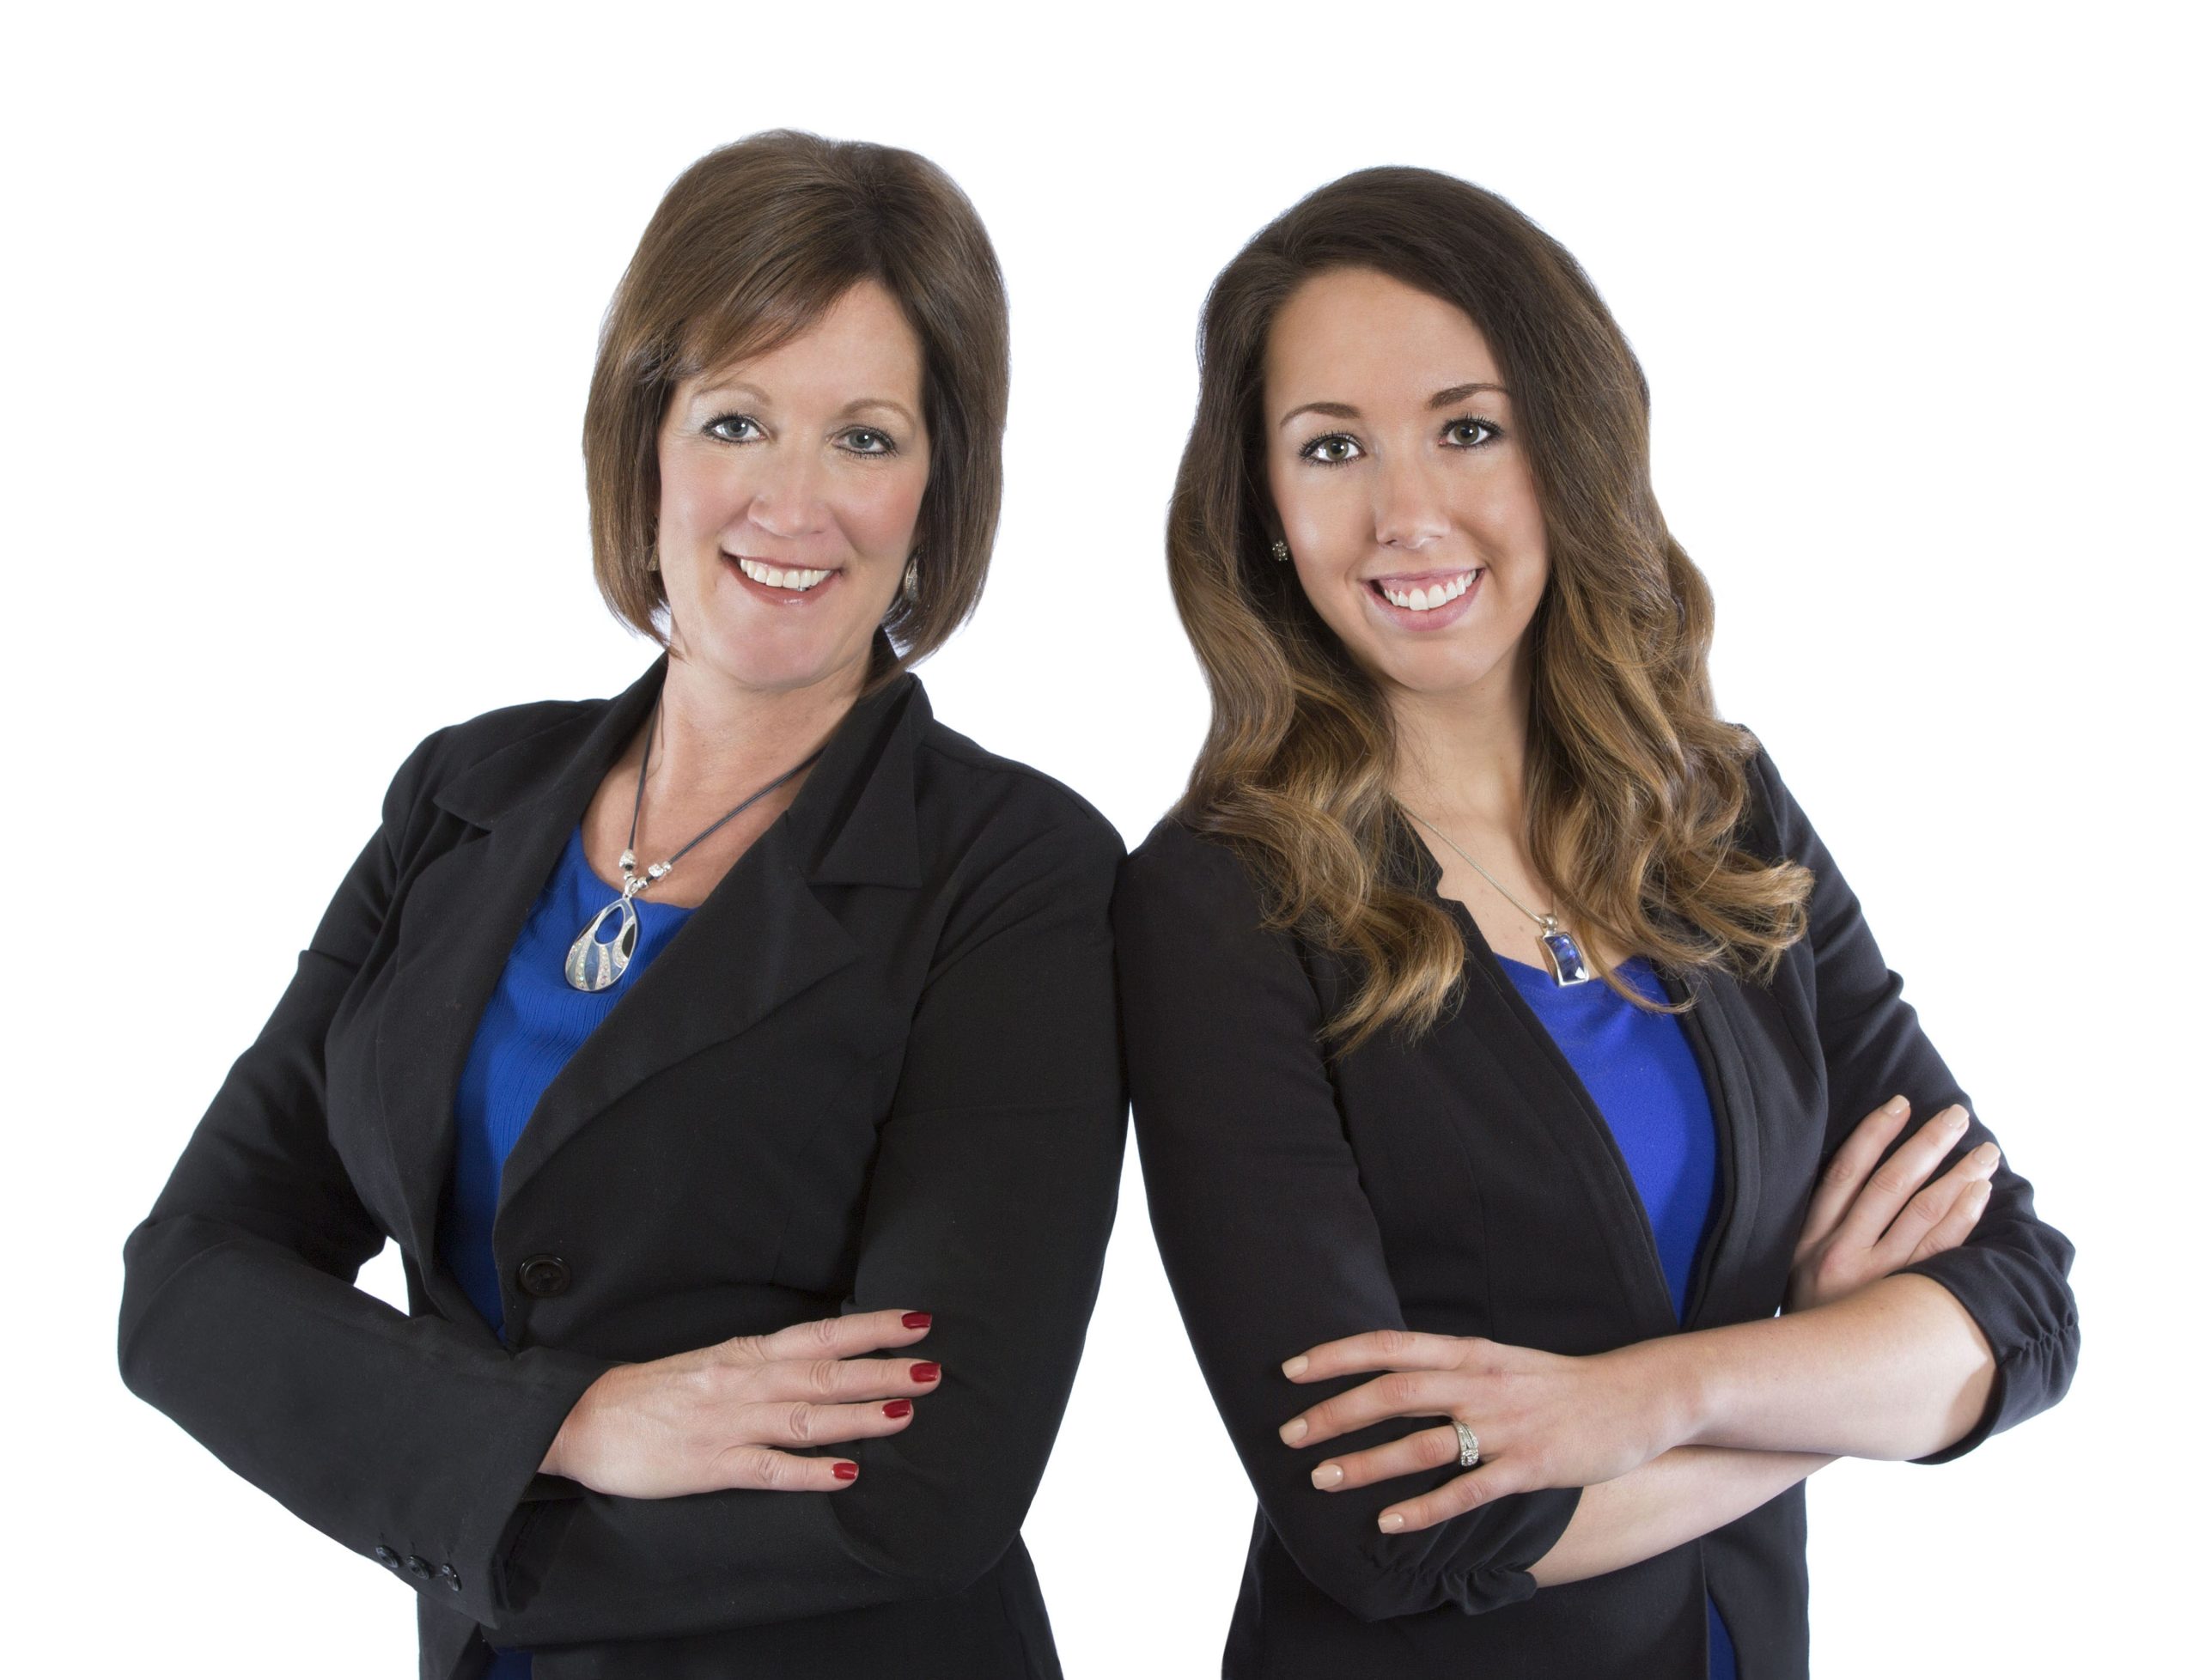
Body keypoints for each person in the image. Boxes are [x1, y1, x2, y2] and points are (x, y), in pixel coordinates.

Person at [118, 131, 1126, 1680]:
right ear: (643, 440)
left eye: (865, 439)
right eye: (737, 421)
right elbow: (190, 1283)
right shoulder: (463, 796)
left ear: (940, 489)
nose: (794, 503)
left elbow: (928, 1490)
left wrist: (457, 1492)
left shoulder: (1015, 872)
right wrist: (572, 1423)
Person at [1112, 166, 2076, 1679]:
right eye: (1332, 447)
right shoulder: (1221, 902)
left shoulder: (1723, 818)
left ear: (1567, 448)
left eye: (1468, 429)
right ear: (1264, 510)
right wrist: (1830, 1382)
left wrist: (1661, 1397)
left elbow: (2016, 1305)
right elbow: (1386, 1523)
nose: (1405, 512)